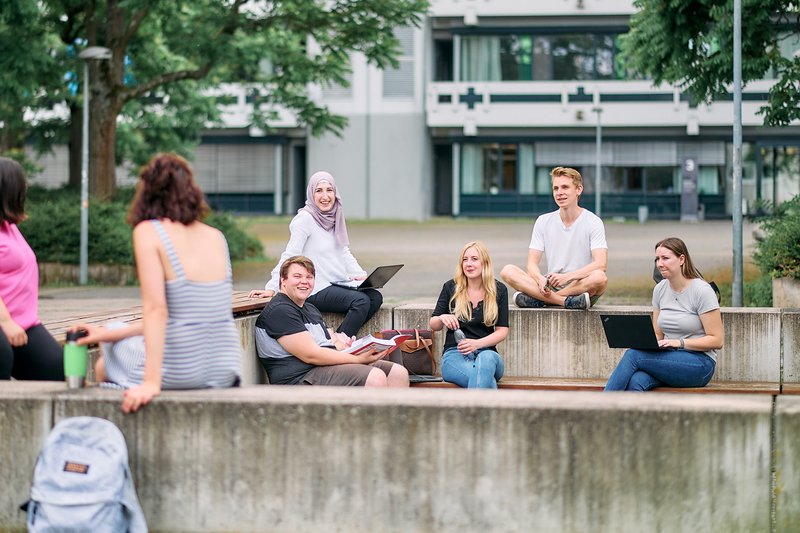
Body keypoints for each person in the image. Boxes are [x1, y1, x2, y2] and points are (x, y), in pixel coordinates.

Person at [74, 153, 241, 413]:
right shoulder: (216, 237)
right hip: (226, 369)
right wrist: (106, 333)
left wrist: (152, 383)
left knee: (103, 365)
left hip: (180, 370)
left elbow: (156, 310)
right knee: (114, 330)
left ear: (147, 191)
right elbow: (186, 314)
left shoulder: (149, 232)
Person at [249, 171, 380, 337]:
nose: (325, 196)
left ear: (335, 193)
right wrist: (272, 288)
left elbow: (343, 251)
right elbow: (290, 255)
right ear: (311, 194)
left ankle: (340, 337)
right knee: (360, 301)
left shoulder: (334, 216)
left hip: (336, 283)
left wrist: (361, 276)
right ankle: (337, 344)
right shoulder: (305, 219)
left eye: (329, 190)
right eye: (319, 191)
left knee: (375, 297)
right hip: (315, 287)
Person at [255, 255, 409, 387]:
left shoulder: (310, 309)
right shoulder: (280, 310)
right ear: (283, 280)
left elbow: (332, 341)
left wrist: (350, 346)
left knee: (398, 373)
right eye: (297, 276)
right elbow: (311, 355)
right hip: (299, 379)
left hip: (322, 369)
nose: (304, 281)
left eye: (309, 277)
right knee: (375, 377)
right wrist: (357, 359)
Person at [604, 237, 722, 391]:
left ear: (681, 259)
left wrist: (680, 343)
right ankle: (628, 414)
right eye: (657, 259)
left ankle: (600, 407)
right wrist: (641, 341)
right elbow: (658, 335)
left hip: (700, 364)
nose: (659, 264)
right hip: (668, 358)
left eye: (665, 258)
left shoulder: (702, 291)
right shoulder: (660, 289)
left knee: (633, 356)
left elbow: (717, 340)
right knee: (636, 380)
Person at [500, 166, 607, 309]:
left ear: (578, 190)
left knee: (599, 278)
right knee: (507, 271)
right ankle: (563, 302)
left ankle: (543, 300)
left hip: (580, 287)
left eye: (565, 187)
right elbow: (531, 264)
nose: (560, 193)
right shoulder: (543, 221)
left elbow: (600, 264)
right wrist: (539, 279)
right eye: (556, 188)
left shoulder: (593, 222)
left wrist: (567, 277)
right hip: (550, 285)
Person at [0, 157, 63, 381]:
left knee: (57, 367)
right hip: (4, 321)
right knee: (2, 356)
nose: (25, 187)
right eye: (21, 183)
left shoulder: (9, 227)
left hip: (24, 323)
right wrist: (5, 322)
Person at [430, 241, 509, 389]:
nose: (468, 264)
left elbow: (502, 331)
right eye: (465, 260)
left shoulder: (499, 290)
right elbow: (433, 324)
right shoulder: (451, 287)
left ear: (485, 263)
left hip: (488, 355)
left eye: (474, 259)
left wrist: (477, 344)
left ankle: (472, 411)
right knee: (487, 383)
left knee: (486, 359)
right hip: (455, 355)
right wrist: (442, 318)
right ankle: (487, 411)